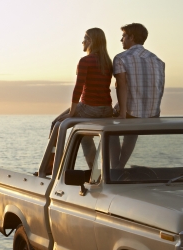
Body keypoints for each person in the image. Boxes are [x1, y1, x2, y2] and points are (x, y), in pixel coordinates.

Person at [48, 28, 113, 173]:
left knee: (57, 124)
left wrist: (72, 112)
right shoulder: (107, 61)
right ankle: (95, 172)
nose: (82, 41)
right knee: (85, 136)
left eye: (85, 38)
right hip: (106, 108)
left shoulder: (86, 61)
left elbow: (78, 89)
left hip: (90, 107)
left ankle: (51, 167)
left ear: (91, 41)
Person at [111, 23, 165, 169]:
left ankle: (115, 167)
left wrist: (121, 113)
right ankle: (120, 166)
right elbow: (159, 87)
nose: (121, 40)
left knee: (107, 125)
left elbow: (121, 85)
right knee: (131, 129)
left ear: (131, 37)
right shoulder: (158, 60)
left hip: (132, 114)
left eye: (123, 36)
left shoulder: (121, 58)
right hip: (153, 115)